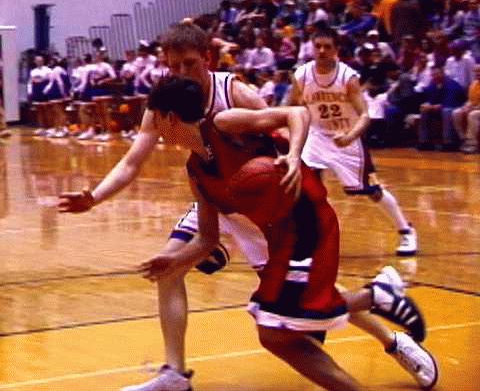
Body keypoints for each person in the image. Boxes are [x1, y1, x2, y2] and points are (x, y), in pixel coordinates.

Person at [59, 23, 436, 391]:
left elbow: (287, 127)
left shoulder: (233, 94)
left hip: (262, 201)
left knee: (307, 295)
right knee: (171, 267)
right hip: (217, 194)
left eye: (189, 63)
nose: (181, 72)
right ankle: (175, 374)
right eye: (173, 66)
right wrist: (95, 197)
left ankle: (392, 339)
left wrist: (291, 164)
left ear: (207, 58)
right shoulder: (167, 104)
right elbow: (132, 161)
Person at [135, 75, 437, 391]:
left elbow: (297, 113)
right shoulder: (195, 170)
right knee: (275, 334)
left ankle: (374, 297)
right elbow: (207, 238)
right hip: (278, 236)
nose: (154, 129)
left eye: (155, 119)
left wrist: (293, 154)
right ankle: (375, 299)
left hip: (306, 218)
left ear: (170, 117)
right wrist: (174, 261)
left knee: (280, 322)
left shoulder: (224, 124)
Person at [289, 26, 418, 256]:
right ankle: (310, 239)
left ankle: (406, 230)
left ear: (336, 50)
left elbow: (365, 115)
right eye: (317, 46)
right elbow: (291, 108)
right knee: (306, 187)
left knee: (370, 190)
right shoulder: (302, 75)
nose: (321, 51)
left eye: (327, 47)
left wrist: (349, 136)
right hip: (317, 137)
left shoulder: (347, 77)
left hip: (347, 137)